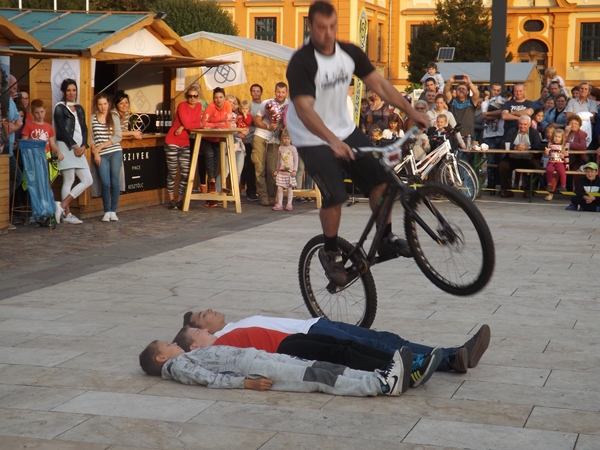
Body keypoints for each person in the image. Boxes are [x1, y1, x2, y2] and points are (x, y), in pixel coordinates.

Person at [285, 1, 429, 287]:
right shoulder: (302, 63)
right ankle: (330, 251)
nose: (328, 34)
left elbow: (381, 85)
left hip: (345, 129)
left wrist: (410, 110)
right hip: (311, 136)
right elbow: (304, 110)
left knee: (382, 182)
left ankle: (384, 238)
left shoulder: (349, 53)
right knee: (336, 195)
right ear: (310, 27)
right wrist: (331, 141)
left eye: (332, 27)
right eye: (321, 28)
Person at [183, 309, 491, 374]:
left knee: (385, 338)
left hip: (314, 324)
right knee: (378, 347)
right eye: (202, 316)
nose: (209, 311)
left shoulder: (234, 325)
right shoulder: (223, 340)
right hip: (309, 335)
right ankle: (451, 358)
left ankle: (451, 355)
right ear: (199, 331)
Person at [174, 326, 440, 388]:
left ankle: (404, 362)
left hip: (289, 339)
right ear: (195, 347)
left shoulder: (221, 338)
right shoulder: (216, 350)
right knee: (342, 354)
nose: (204, 330)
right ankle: (400, 370)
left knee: (345, 344)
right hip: (284, 350)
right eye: (198, 332)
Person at [139, 340, 412, 397]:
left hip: (259, 358)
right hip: (254, 369)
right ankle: (380, 385)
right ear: (162, 358)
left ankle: (378, 376)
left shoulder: (183, 358)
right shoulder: (178, 365)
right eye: (167, 345)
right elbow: (209, 379)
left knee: (319, 366)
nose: (174, 343)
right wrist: (246, 383)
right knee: (315, 376)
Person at [53, 78, 93, 225]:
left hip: (79, 149)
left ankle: (61, 205)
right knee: (69, 180)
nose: (71, 93)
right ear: (64, 92)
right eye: (69, 90)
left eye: (74, 90)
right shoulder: (59, 108)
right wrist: (74, 146)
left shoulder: (79, 108)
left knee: (88, 179)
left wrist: (84, 145)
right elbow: (62, 130)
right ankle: (67, 214)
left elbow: (84, 128)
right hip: (66, 147)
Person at [163, 86, 202, 210]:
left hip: (185, 142)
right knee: (173, 171)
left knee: (185, 173)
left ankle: (180, 199)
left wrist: (184, 127)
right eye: (190, 96)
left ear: (198, 96)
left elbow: (193, 124)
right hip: (172, 140)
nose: (192, 98)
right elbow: (190, 124)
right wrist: (187, 125)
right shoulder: (182, 106)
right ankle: (171, 200)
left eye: (195, 96)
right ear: (186, 96)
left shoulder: (199, 106)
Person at [252, 82, 288, 206]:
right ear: (275, 91)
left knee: (272, 169)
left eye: (283, 92)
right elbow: (256, 120)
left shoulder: (289, 105)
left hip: (275, 140)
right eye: (278, 92)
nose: (280, 94)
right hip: (261, 135)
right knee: (259, 167)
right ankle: (263, 196)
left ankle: (273, 196)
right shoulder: (266, 103)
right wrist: (268, 126)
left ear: (286, 93)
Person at [91, 93, 123, 222]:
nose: (103, 107)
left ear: (108, 104)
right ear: (96, 105)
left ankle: (113, 211)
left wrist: (101, 146)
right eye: (100, 104)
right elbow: (91, 138)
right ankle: (106, 211)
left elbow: (118, 136)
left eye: (105, 104)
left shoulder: (114, 116)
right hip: (101, 155)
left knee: (115, 182)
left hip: (115, 152)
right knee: (105, 183)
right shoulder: (92, 118)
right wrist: (96, 153)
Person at [201, 87, 232, 208]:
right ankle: (212, 181)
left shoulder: (227, 105)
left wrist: (216, 126)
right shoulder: (210, 107)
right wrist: (217, 125)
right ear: (213, 98)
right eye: (216, 98)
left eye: (221, 97)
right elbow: (204, 123)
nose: (218, 100)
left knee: (215, 162)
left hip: (218, 139)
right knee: (209, 155)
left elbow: (229, 122)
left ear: (224, 98)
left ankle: (211, 197)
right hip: (206, 138)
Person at [499, 115, 542, 198]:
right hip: (513, 158)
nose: (522, 126)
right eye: (520, 124)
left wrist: (528, 147)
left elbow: (538, 145)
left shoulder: (534, 132)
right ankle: (507, 190)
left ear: (529, 124)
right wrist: (514, 147)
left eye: (525, 124)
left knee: (537, 167)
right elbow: (505, 143)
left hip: (528, 158)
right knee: (502, 166)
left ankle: (529, 190)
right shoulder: (512, 131)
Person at [240, 83, 263, 201]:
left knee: (259, 165)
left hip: (261, 138)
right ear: (250, 93)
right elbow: (248, 121)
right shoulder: (248, 105)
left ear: (261, 92)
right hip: (249, 139)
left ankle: (260, 190)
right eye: (253, 91)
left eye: (258, 91)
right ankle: (251, 191)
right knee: (249, 166)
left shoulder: (264, 105)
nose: (256, 93)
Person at [443, 74, 480, 139]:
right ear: (456, 91)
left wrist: (469, 83)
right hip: (453, 136)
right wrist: (450, 82)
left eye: (463, 89)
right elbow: (446, 92)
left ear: (467, 92)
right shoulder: (452, 101)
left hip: (467, 137)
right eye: (459, 89)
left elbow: (476, 93)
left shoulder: (471, 101)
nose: (461, 90)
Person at [272, 128, 297, 211]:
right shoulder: (280, 148)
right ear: (282, 139)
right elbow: (278, 160)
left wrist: (295, 170)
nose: (286, 140)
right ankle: (280, 203)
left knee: (289, 188)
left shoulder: (293, 148)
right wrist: (277, 169)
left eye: (288, 138)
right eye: (285, 138)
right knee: (279, 187)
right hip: (281, 171)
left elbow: (296, 160)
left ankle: (289, 204)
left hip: (289, 172)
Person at [544, 128, 568, 201]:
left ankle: (563, 185)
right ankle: (549, 183)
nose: (557, 138)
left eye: (559, 137)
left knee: (562, 172)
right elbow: (548, 154)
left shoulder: (564, 146)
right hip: (551, 161)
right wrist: (546, 152)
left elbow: (566, 156)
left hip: (560, 162)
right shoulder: (550, 144)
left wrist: (567, 164)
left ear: (562, 138)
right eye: (555, 136)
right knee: (549, 170)